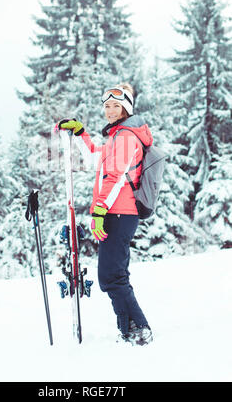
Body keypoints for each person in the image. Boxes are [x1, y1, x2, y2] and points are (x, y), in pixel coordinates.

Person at [58, 83, 153, 346]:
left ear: (126, 108)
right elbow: (94, 159)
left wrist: (98, 211)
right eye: (107, 106)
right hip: (116, 213)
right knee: (114, 275)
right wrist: (80, 134)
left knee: (112, 276)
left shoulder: (125, 137)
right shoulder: (116, 137)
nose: (110, 110)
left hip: (119, 213)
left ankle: (138, 330)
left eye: (116, 105)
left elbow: (115, 176)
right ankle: (130, 331)